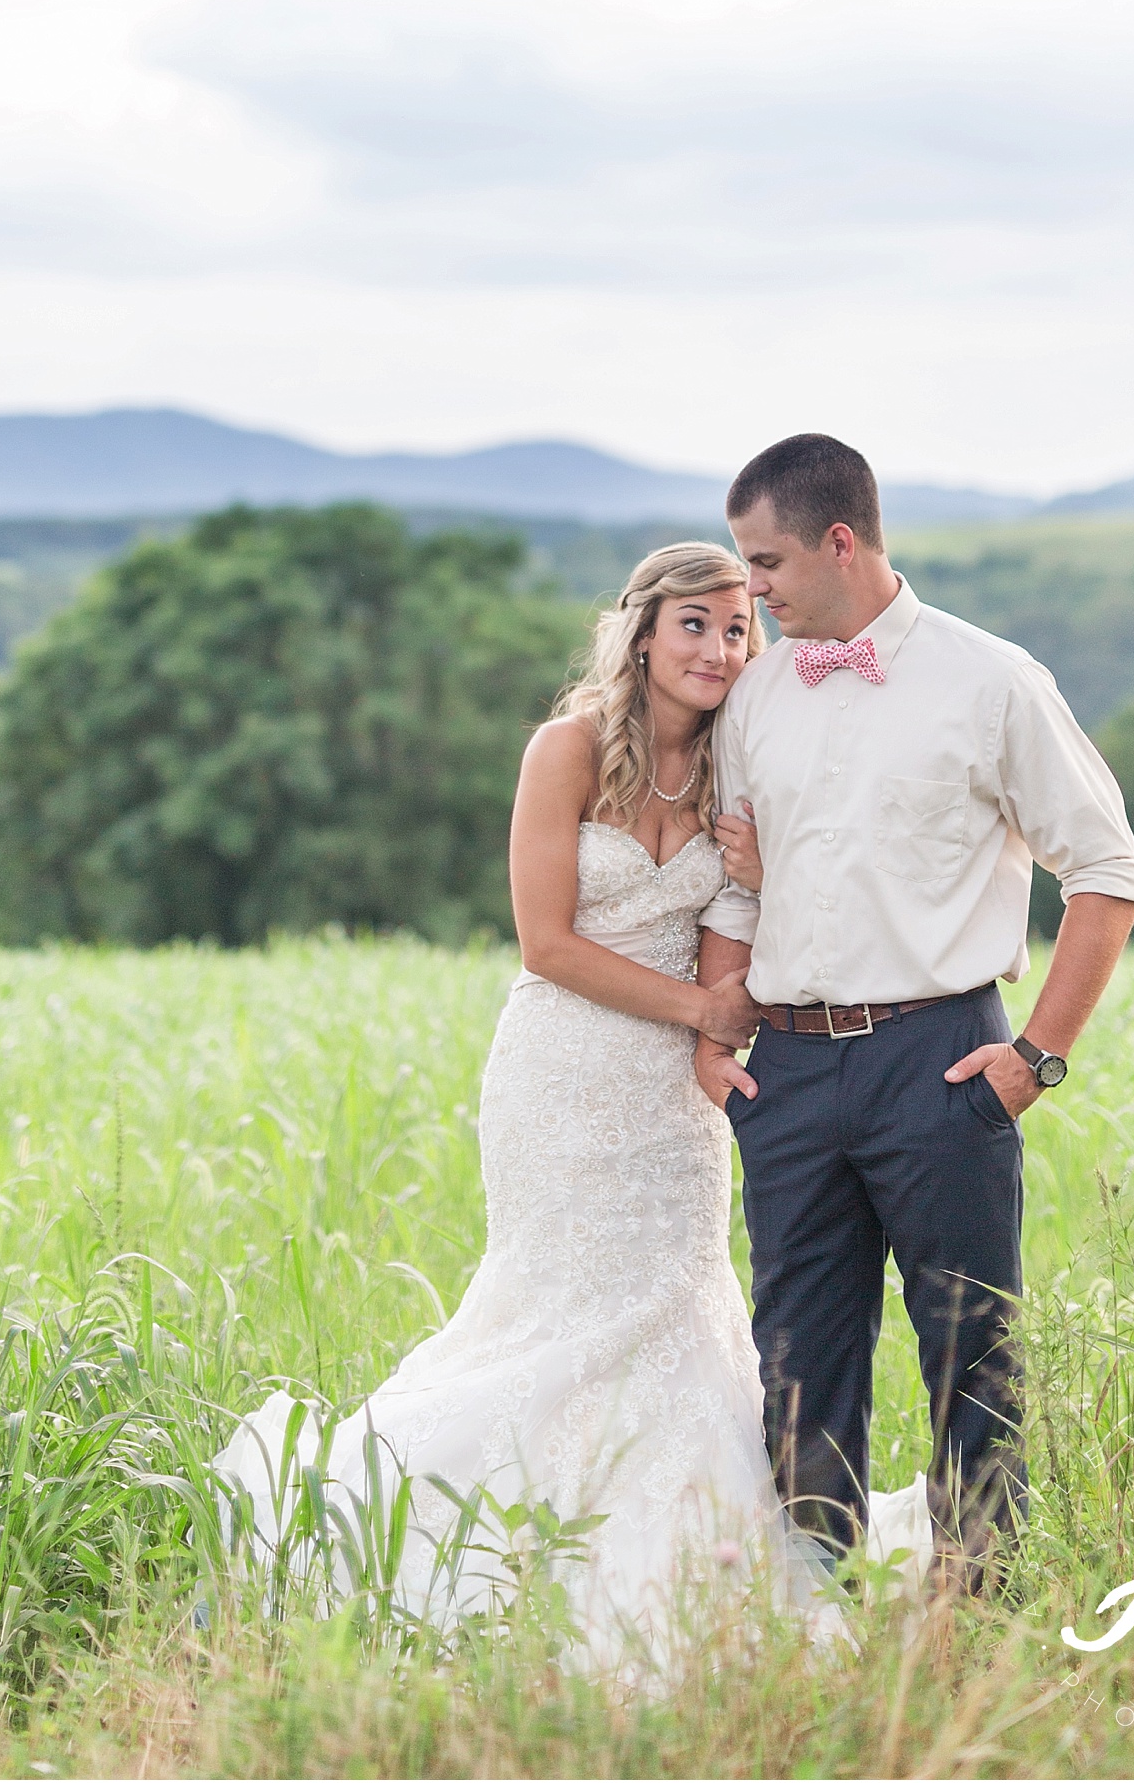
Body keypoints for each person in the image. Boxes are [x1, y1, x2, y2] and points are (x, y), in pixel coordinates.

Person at [217, 540, 923, 1658]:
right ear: (643, 631)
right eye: (696, 623)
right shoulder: (568, 751)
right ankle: (471, 1539)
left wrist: (752, 872)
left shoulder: (740, 775)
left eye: (739, 627)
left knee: (673, 1309)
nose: (720, 647)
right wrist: (698, 1011)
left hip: (671, 1107)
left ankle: (697, 1564)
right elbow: (546, 942)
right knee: (557, 1306)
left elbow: (726, 962)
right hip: (560, 1076)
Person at [695, 433, 1134, 1580]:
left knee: (973, 1351)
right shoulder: (758, 694)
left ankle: (981, 1605)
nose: (751, 590)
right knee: (798, 1353)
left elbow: (1106, 873)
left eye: (767, 563)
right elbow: (739, 879)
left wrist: (1033, 1060)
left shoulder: (993, 681)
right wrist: (718, 1032)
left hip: (942, 1062)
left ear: (840, 541)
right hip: (788, 1073)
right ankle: (819, 1606)